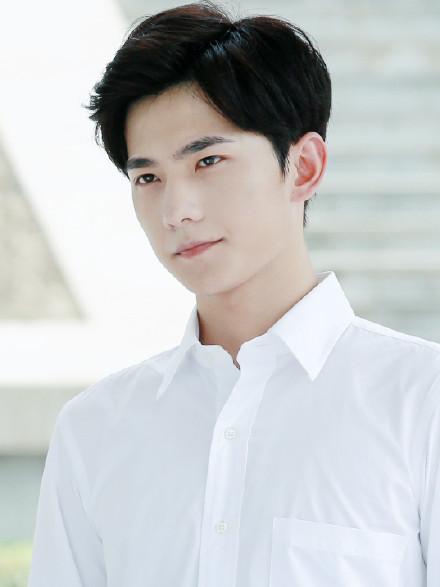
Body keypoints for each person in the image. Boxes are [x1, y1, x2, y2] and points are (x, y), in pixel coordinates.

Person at [28, 1, 440, 585]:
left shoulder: (422, 403)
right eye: (149, 177)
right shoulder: (94, 430)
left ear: (303, 167)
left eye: (208, 160)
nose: (177, 210)